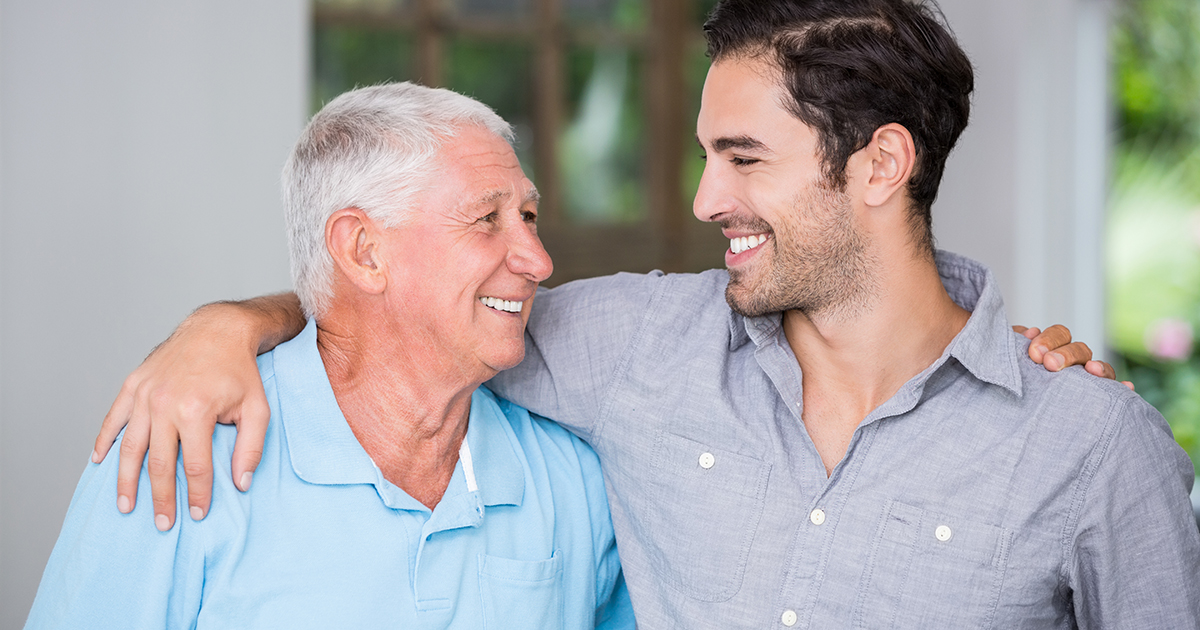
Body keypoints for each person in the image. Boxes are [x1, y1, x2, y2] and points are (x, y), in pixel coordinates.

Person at [93, 0, 1200, 627]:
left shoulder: (1087, 443)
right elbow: (409, 306)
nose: (704, 199)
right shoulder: (632, 348)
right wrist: (225, 324)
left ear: (880, 165)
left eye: (743, 157)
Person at [27, 83, 632, 629]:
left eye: (527, 216)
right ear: (363, 251)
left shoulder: (569, 475)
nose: (538, 261)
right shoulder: (181, 448)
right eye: (486, 220)